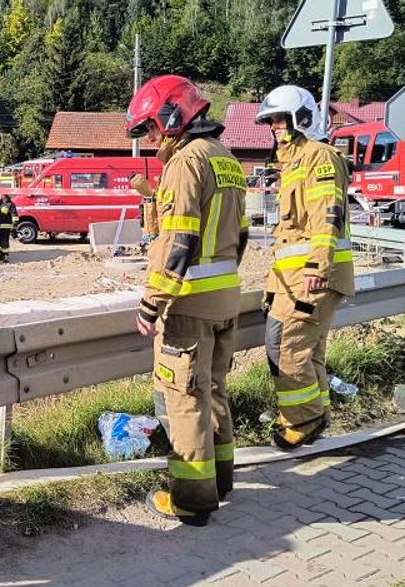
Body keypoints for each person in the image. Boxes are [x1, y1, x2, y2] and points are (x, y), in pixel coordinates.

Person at [126, 74, 248, 526]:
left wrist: (152, 302)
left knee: (184, 399)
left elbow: (178, 240)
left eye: (150, 129)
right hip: (225, 298)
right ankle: (222, 477)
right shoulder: (226, 159)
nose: (149, 139)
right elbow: (241, 234)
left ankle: (191, 500)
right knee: (214, 389)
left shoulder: (184, 162)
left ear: (173, 117)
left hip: (189, 302)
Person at [254, 85, 355, 450]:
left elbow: (327, 216)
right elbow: (290, 234)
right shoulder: (294, 163)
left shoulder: (319, 157)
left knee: (286, 346)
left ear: (302, 118)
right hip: (294, 278)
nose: (275, 127)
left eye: (280, 119)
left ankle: (304, 418)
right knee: (306, 350)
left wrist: (318, 267)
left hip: (312, 276)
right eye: (271, 121)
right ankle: (317, 415)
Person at [0, 194, 15, 263]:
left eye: (1, 195)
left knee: (4, 241)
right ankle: (1, 254)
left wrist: (15, 226)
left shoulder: (10, 204)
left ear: (6, 196)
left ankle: (6, 256)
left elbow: (14, 215)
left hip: (6, 226)